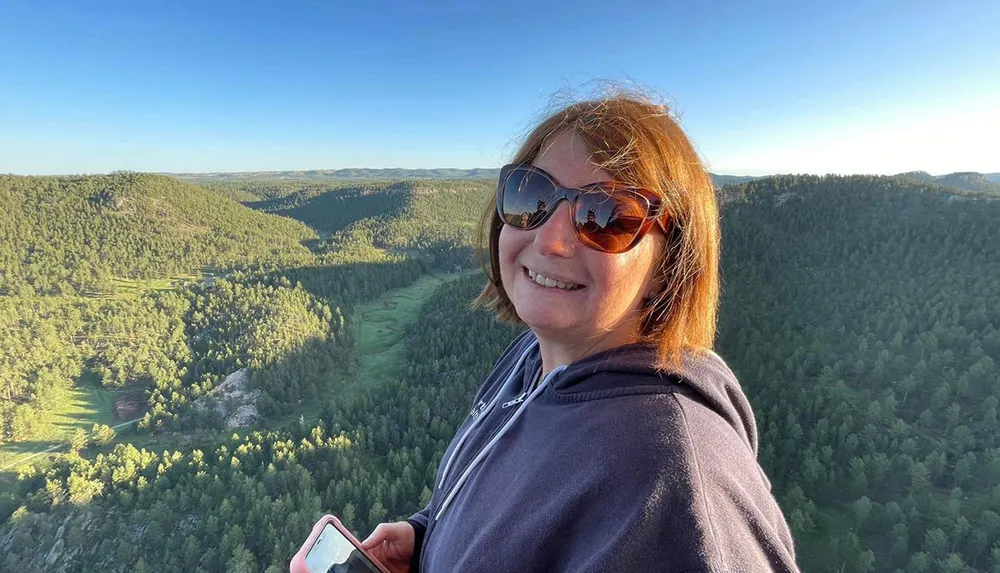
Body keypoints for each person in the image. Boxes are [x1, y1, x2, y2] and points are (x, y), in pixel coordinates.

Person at [361, 92, 799, 572]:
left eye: (606, 216)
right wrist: (428, 539)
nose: (550, 238)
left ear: (667, 265)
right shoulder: (533, 358)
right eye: (532, 197)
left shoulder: (678, 480)